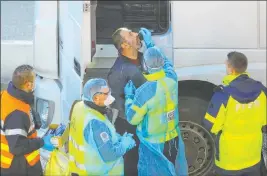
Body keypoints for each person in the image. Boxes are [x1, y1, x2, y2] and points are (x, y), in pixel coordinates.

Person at [124, 46, 188, 176]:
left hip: (154, 144)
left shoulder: (144, 92)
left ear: (145, 66)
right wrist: (150, 44)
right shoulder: (172, 79)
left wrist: (129, 97)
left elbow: (132, 118)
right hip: (173, 138)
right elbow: (168, 65)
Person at [202, 51, 267, 176]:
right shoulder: (262, 91)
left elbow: (210, 125)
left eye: (226, 65)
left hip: (229, 162)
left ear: (231, 69)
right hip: (253, 157)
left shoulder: (223, 95)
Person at [108, 27, 154, 175]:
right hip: (130, 125)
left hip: (146, 120)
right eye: (130, 34)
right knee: (132, 164)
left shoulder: (142, 58)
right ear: (124, 45)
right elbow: (120, 107)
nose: (136, 34)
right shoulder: (119, 71)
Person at [68, 78, 136, 176]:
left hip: (79, 170)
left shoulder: (79, 106)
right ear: (96, 98)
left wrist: (118, 138)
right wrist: (125, 144)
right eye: (106, 94)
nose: (110, 96)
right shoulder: (95, 123)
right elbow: (109, 155)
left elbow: (91, 137)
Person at [0, 65, 55, 176]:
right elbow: (17, 147)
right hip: (19, 166)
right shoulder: (17, 115)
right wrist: (42, 142)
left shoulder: (6, 95)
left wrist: (32, 118)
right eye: (34, 80)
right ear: (28, 85)